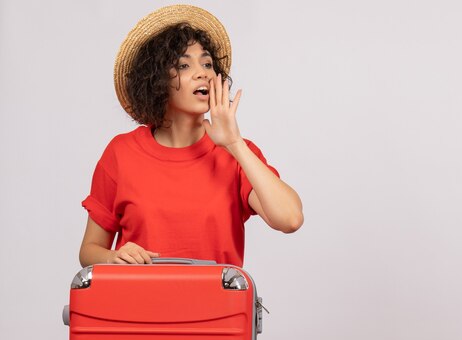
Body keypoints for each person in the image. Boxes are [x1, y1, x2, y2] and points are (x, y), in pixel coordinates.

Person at [79, 5, 303, 268]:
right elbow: (89, 252)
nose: (203, 73)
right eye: (184, 65)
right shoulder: (121, 152)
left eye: (207, 64)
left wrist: (234, 143)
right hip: (138, 306)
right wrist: (113, 257)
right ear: (157, 80)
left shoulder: (236, 153)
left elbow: (290, 219)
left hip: (217, 309)